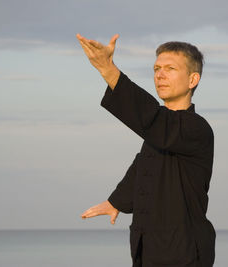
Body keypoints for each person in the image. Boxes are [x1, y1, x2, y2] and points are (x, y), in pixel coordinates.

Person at [77, 33, 215, 267]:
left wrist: (108, 70)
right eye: (156, 68)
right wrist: (116, 201)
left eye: (170, 68)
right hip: (149, 250)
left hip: (184, 252)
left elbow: (153, 120)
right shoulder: (160, 133)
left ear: (193, 80)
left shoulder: (195, 128)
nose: (160, 75)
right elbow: (144, 166)